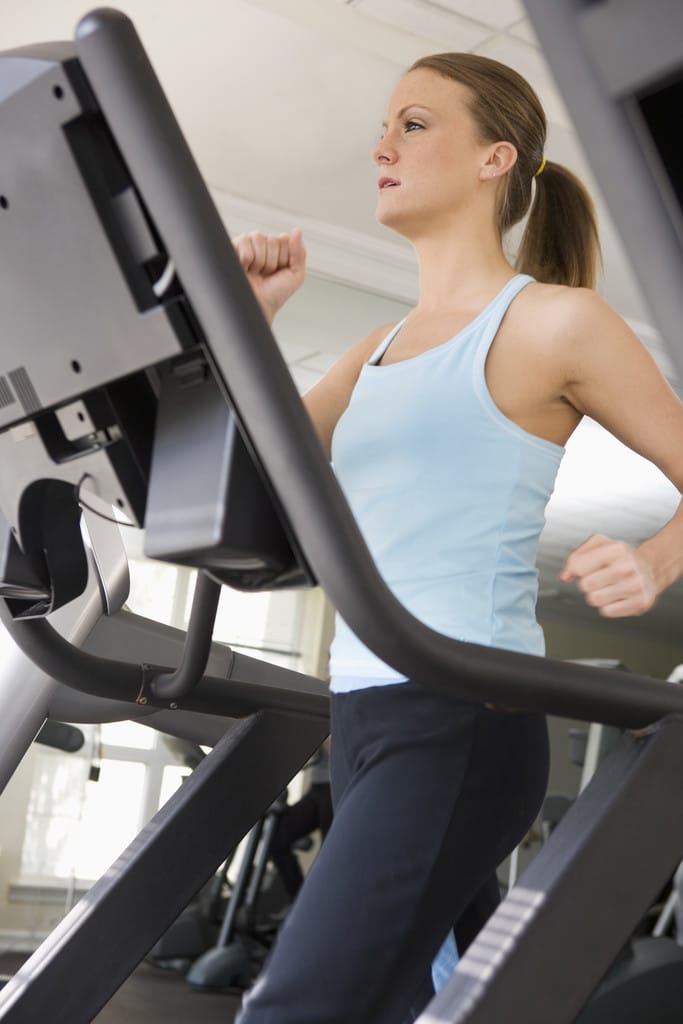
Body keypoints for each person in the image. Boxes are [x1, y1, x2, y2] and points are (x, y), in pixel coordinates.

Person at [232, 51, 683, 1024]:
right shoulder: (376, 349)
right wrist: (255, 323)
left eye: (413, 124)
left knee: (296, 1008)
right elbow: (252, 483)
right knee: (425, 1002)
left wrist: (652, 558)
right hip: (358, 719)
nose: (378, 146)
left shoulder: (551, 323)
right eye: (385, 126)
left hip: (458, 712)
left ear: (494, 158)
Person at [269, 739, 333, 902]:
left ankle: (323, 905)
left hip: (335, 786)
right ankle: (299, 903)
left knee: (329, 855)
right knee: (277, 841)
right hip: (317, 788)